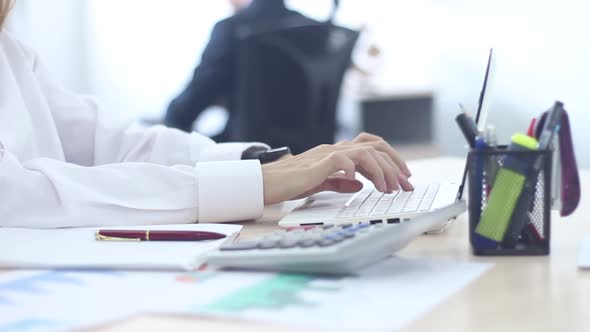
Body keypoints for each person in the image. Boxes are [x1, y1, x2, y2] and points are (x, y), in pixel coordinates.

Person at [0, 0, 413, 229]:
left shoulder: (13, 51)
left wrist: (266, 163)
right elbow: (14, 196)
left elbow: (129, 137)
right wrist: (255, 179)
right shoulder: (313, 26)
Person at [164, 0, 318, 139]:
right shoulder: (315, 32)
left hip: (249, 154)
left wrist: (172, 117)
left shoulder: (232, 28)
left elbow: (198, 94)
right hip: (310, 154)